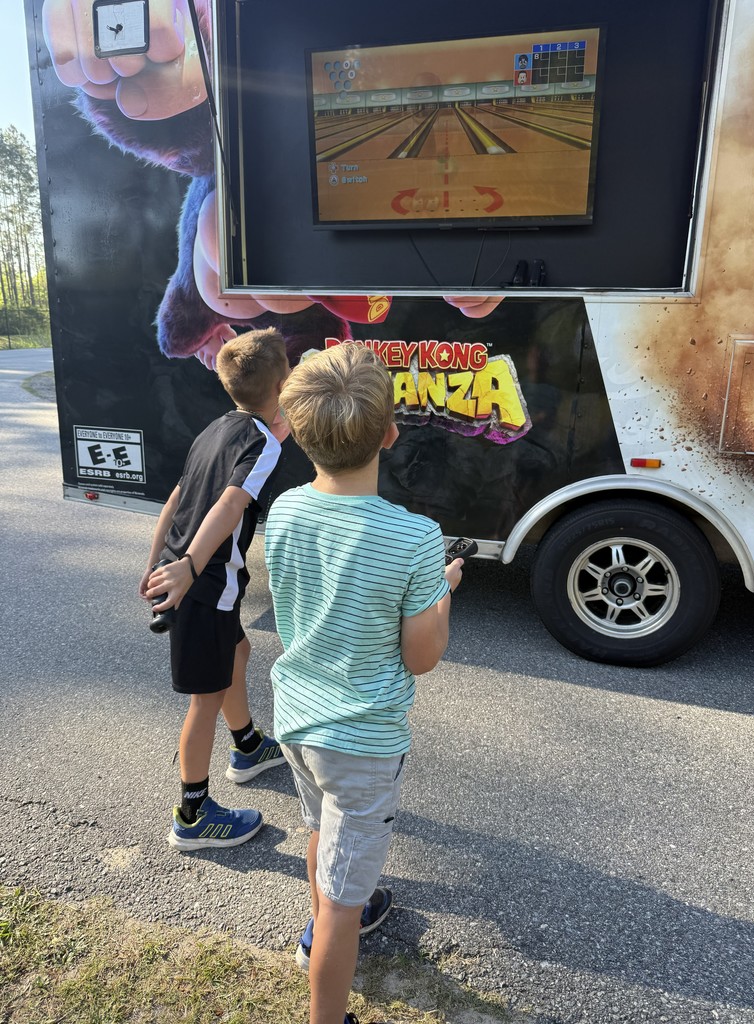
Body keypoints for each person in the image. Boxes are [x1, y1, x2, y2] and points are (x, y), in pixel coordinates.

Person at [264, 344, 464, 1024]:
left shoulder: (285, 510)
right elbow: (421, 656)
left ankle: (329, 911)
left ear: (294, 429)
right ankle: (329, 998)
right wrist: (443, 596)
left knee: (319, 824)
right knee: (343, 911)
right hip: (362, 741)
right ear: (389, 433)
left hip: (296, 715)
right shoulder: (415, 538)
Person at [140, 327, 290, 850]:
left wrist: (157, 558)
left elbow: (176, 496)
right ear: (283, 382)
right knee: (205, 697)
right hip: (203, 581)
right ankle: (193, 813)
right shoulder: (262, 442)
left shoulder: (217, 428)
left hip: (189, 571)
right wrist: (184, 567)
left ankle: (247, 745)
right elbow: (228, 505)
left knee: (238, 651)